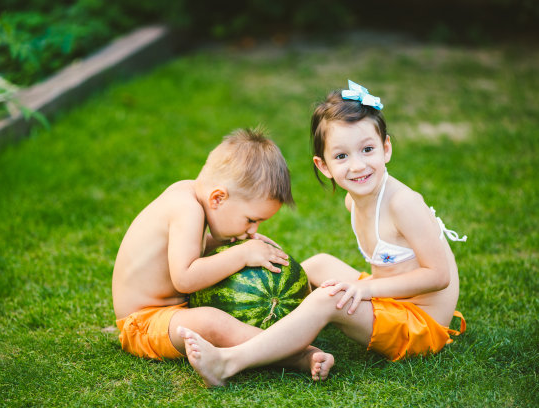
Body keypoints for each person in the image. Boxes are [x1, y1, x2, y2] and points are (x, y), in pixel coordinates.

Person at [178, 81, 467, 387]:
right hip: (393, 297)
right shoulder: (353, 201)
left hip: (420, 325)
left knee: (328, 299)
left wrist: (366, 290)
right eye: (341, 156)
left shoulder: (403, 203)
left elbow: (438, 276)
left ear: (386, 148)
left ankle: (228, 362)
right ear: (324, 165)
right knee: (316, 264)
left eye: (367, 149)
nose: (357, 166)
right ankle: (281, 330)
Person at [112, 127, 334, 380]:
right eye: (251, 220)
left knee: (219, 317)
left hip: (173, 312)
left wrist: (236, 247)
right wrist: (242, 254)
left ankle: (284, 337)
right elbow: (184, 278)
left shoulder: (187, 195)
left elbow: (188, 248)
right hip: (143, 323)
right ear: (218, 198)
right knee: (212, 322)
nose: (253, 229)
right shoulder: (187, 210)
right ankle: (298, 355)